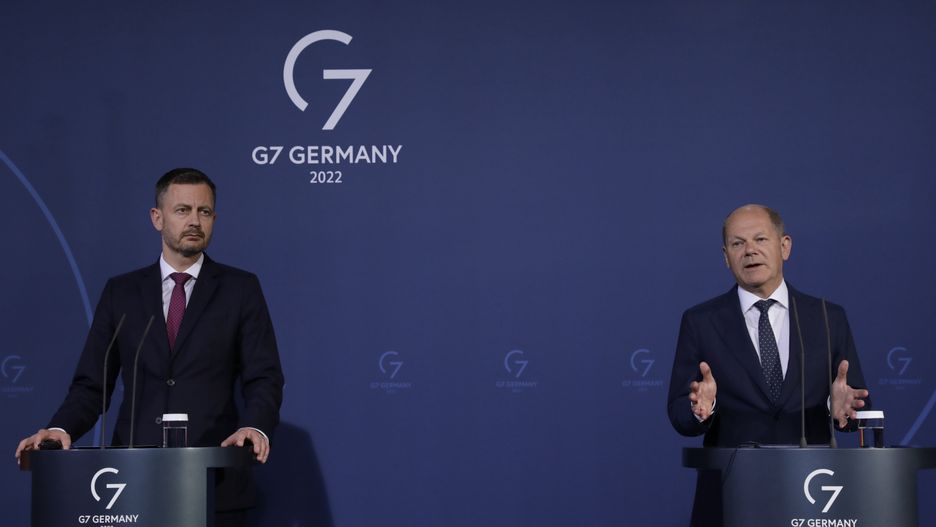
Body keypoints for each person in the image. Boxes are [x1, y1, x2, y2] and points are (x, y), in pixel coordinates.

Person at [15, 168, 285, 527]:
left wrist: (255, 427)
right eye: (182, 210)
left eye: (204, 212)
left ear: (214, 219)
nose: (194, 221)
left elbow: (264, 377)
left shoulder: (240, 289)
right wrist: (60, 429)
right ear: (157, 218)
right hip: (132, 483)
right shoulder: (122, 292)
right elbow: (92, 385)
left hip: (213, 480)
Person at [666, 204, 870, 526]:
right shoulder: (701, 322)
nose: (750, 251)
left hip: (813, 495)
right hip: (731, 497)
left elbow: (858, 402)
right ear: (726, 256)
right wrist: (701, 409)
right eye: (737, 243)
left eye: (760, 239)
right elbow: (679, 410)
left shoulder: (827, 317)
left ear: (784, 246)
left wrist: (840, 408)